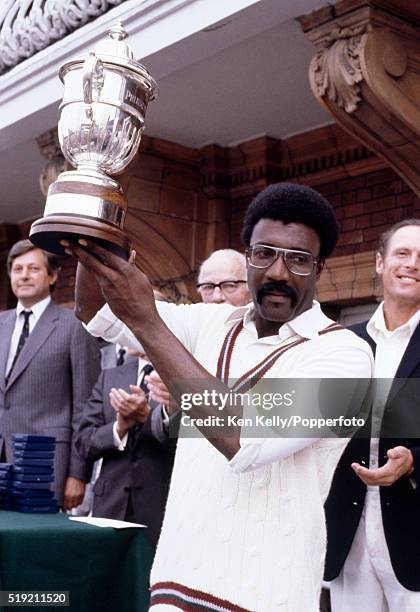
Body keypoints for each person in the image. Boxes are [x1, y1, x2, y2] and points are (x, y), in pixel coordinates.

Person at [65, 182, 373, 611]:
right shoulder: (212, 323)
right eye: (264, 253)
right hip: (178, 581)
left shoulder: (345, 354)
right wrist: (98, 232)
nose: (279, 273)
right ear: (247, 256)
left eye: (298, 260)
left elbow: (245, 437)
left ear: (319, 268)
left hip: (264, 595)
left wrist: (148, 322)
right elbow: (96, 311)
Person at [325, 219, 420, 612]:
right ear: (380, 263)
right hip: (349, 529)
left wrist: (414, 461)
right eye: (402, 253)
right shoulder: (341, 343)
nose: (412, 264)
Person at [0, 239, 101, 510]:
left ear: (53, 275)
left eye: (33, 268)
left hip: (44, 462)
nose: (23, 275)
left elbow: (86, 407)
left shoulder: (75, 326)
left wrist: (78, 473)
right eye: (17, 269)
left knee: (35, 542)